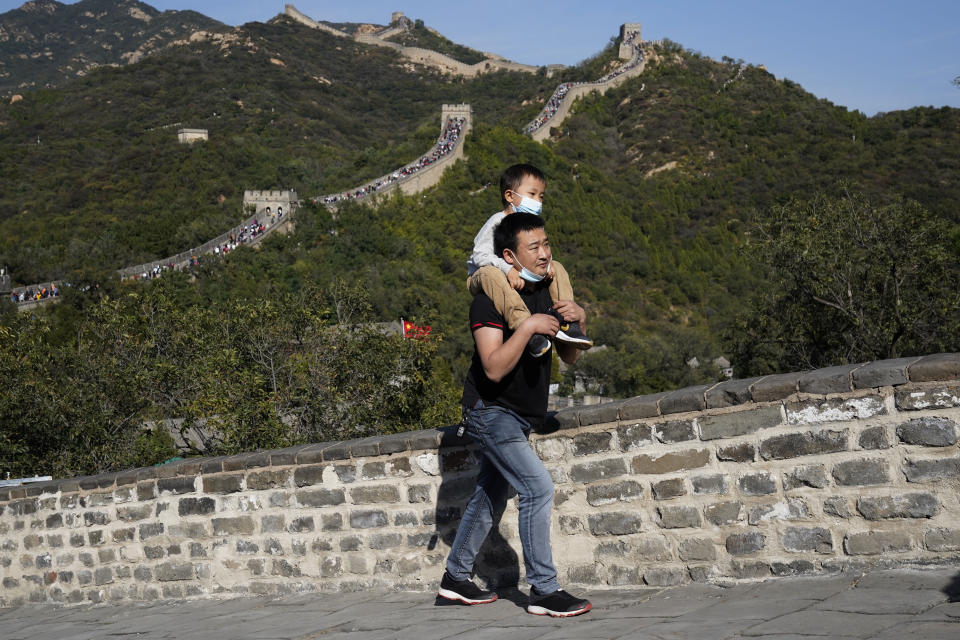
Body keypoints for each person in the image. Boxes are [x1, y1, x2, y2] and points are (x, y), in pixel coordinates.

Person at [438, 212, 592, 618]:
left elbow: (570, 356)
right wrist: (526, 329)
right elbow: (492, 367)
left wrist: (578, 320)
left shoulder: (547, 291)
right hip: (489, 412)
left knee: (491, 493)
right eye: (534, 248)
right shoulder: (489, 300)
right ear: (510, 255)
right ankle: (543, 590)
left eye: (546, 244)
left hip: (521, 415)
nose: (545, 254)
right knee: (537, 487)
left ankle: (455, 579)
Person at [466, 164, 592, 358]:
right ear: (510, 196)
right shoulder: (497, 221)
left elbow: (538, 251)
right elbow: (479, 256)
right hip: (484, 275)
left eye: (541, 196)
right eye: (532, 194)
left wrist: (548, 266)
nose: (538, 201)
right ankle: (524, 325)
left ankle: (567, 321)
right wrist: (507, 269)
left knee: (556, 266)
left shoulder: (530, 226)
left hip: (513, 274)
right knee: (491, 274)